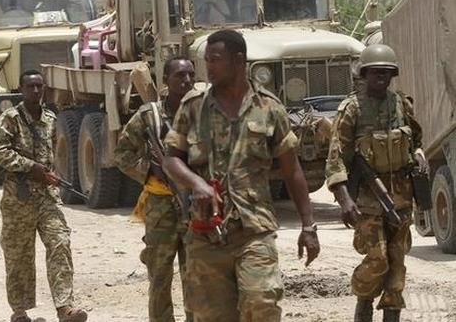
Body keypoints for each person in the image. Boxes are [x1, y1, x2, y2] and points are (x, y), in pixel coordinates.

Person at [162, 29, 320, 322]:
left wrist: (308, 225)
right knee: (211, 316)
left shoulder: (269, 108)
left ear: (239, 60)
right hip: (205, 232)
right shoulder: (194, 107)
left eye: (216, 59)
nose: (208, 67)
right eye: (206, 60)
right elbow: (171, 159)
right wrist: (196, 183)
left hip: (254, 230)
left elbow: (292, 168)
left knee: (262, 305)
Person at [325, 44, 426, 322]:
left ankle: (392, 314)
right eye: (375, 72)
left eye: (386, 72)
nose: (381, 77)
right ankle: (364, 299)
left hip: (401, 198)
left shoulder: (401, 104)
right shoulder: (352, 109)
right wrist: (344, 199)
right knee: (378, 259)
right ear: (364, 74)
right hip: (368, 200)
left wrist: (419, 154)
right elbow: (336, 159)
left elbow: (416, 140)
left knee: (397, 263)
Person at [0, 70, 88, 322]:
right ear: (21, 89)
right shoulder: (9, 119)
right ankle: (20, 311)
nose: (35, 91)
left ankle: (64, 307)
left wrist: (50, 173)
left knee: (60, 244)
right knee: (18, 255)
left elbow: (54, 153)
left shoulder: (50, 119)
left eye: (39, 86)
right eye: (30, 86)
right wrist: (30, 167)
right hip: (18, 199)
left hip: (46, 197)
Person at [113, 57, 195, 322]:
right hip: (161, 206)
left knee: (196, 277)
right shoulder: (150, 116)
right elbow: (122, 154)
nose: (187, 81)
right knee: (159, 276)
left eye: (191, 75)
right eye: (180, 76)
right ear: (165, 82)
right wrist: (150, 170)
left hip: (196, 205)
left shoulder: (202, 113)